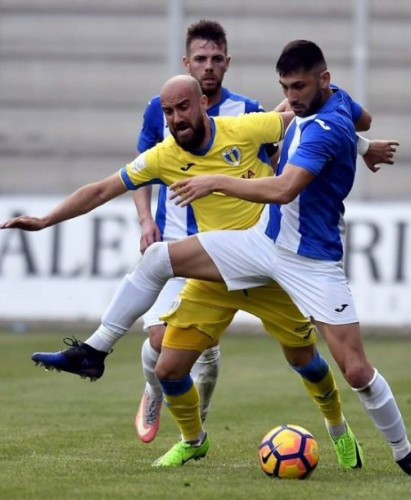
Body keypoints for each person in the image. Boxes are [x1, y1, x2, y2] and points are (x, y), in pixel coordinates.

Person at [0, 53, 411, 474]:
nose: (176, 118)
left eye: (183, 108)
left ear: (202, 105)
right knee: (168, 362)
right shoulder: (163, 156)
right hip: (221, 266)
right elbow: (102, 189)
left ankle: (338, 427)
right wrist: (47, 218)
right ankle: (182, 431)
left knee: (306, 362)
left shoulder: (246, 126)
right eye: (168, 112)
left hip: (276, 264)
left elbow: (314, 127)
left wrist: (360, 146)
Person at [132, 19, 281, 445]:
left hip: (228, 250)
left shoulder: (248, 112)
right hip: (175, 246)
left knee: (201, 354)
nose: (209, 66)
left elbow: (276, 162)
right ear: (187, 62)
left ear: (227, 62)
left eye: (217, 59)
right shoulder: (159, 108)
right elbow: (139, 173)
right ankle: (153, 388)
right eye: (201, 59)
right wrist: (146, 220)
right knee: (160, 339)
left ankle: (194, 430)